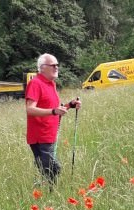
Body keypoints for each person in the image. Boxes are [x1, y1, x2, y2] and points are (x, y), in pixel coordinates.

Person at [26, 53, 81, 187]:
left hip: (49, 135)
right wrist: (53, 111)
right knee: (53, 169)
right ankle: (47, 195)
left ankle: (45, 192)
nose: (56, 67)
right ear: (43, 67)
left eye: (57, 65)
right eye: (53, 65)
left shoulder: (51, 84)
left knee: (50, 170)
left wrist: (70, 105)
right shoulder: (35, 83)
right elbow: (30, 109)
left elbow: (55, 109)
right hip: (40, 137)